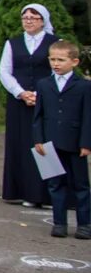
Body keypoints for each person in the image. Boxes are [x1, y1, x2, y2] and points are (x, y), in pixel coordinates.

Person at [0, 3, 57, 208]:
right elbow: (5, 71)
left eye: (34, 17)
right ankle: (24, 191)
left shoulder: (54, 42)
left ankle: (50, 193)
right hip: (20, 101)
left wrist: (40, 94)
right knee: (21, 143)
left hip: (46, 100)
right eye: (25, 17)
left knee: (45, 143)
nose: (29, 21)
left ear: (43, 21)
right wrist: (20, 92)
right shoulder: (13, 43)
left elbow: (57, 68)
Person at [32, 40, 91, 239]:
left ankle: (84, 224)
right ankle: (59, 223)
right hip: (49, 143)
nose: (56, 63)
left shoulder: (83, 86)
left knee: (81, 185)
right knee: (55, 184)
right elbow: (38, 115)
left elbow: (88, 116)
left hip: (75, 144)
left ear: (74, 62)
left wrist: (86, 143)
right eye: (52, 59)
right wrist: (38, 139)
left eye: (61, 60)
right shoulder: (43, 84)